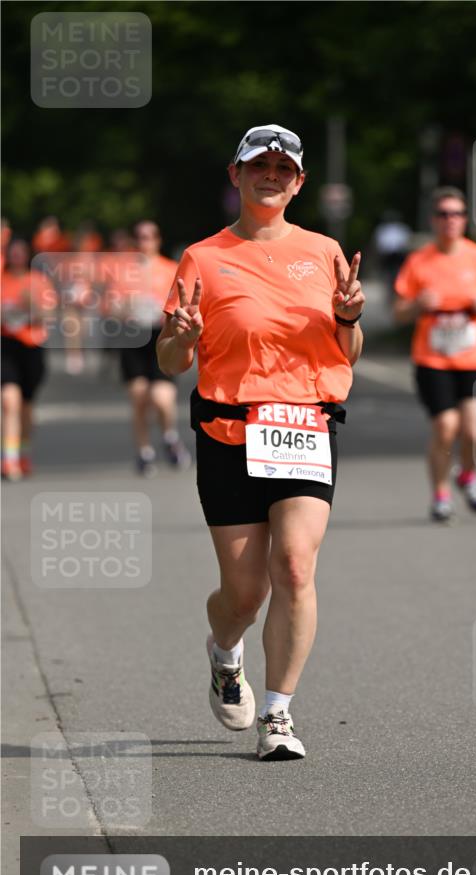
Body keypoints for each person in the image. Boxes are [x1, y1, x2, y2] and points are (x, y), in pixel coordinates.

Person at [157, 124, 364, 760]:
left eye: (283, 168)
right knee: (244, 592)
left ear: (299, 182)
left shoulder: (325, 251)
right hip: (229, 433)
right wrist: (184, 336)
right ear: (236, 175)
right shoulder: (202, 257)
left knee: (296, 565)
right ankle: (225, 653)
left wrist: (350, 318)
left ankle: (279, 714)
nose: (270, 175)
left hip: (305, 427)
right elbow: (168, 362)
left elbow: (346, 352)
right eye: (259, 166)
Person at [394, 186, 476, 521]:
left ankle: (468, 475)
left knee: (474, 430)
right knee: (445, 427)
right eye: (443, 214)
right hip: (434, 358)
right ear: (433, 220)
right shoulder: (419, 261)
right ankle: (441, 494)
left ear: (465, 219)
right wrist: (417, 305)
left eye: (456, 214)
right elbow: (398, 310)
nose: (450, 220)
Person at [115, 220, 190, 475]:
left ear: (157, 240)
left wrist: (165, 313)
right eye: (139, 236)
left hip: (161, 336)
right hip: (133, 337)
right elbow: (110, 306)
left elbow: (183, 303)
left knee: (161, 397)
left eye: (148, 236)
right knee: (138, 396)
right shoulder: (124, 271)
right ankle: (144, 452)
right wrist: (126, 309)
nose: (143, 241)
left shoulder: (171, 268)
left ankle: (170, 437)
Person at [1, 239, 54, 480]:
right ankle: (8, 459)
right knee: (8, 401)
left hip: (31, 346)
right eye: (12, 254)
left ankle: (23, 453)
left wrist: (30, 304)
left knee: (26, 406)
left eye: (21, 254)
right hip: (6, 346)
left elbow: (48, 316)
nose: (16, 258)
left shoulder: (38, 282)